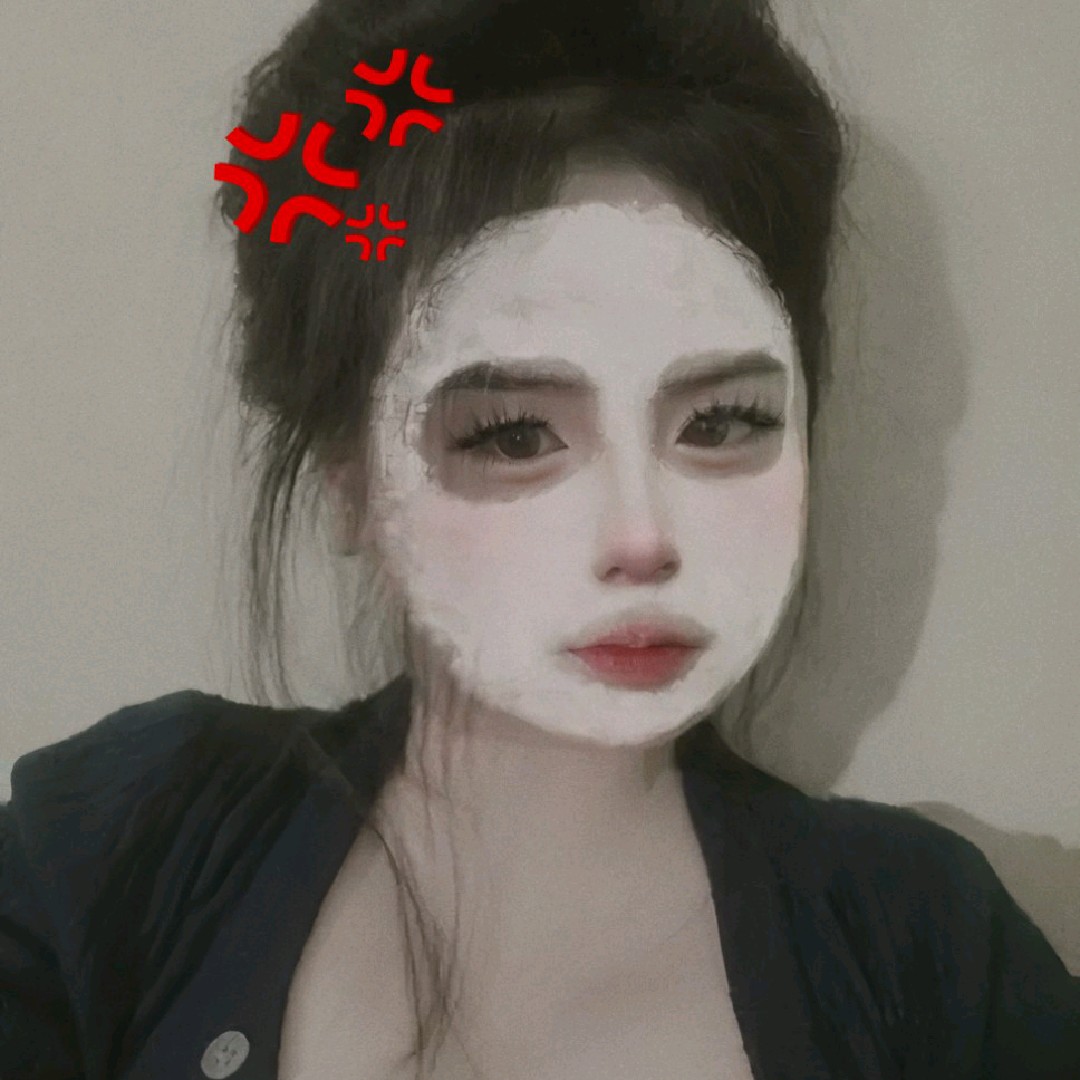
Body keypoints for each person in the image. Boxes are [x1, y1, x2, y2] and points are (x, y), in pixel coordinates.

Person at [3, 0, 1078, 1077]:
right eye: (515, 435)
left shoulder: (934, 953)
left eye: (718, 423)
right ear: (351, 482)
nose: (642, 537)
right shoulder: (119, 852)